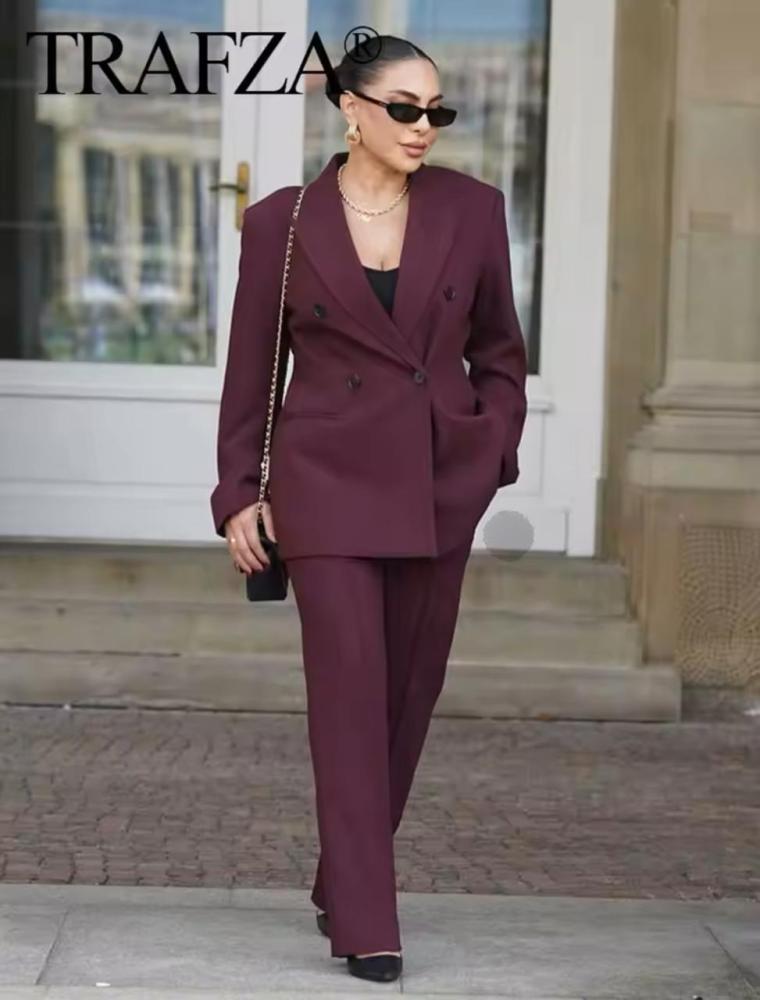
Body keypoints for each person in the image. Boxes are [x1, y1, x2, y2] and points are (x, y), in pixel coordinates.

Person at [210, 34, 528, 984]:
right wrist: (238, 494)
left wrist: (489, 450)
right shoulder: (282, 222)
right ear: (350, 108)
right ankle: (368, 923)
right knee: (348, 697)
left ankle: (341, 877)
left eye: (438, 111)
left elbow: (500, 354)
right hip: (327, 486)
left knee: (405, 698)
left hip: (439, 484)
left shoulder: (473, 210)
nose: (424, 127)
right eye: (404, 108)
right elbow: (251, 372)